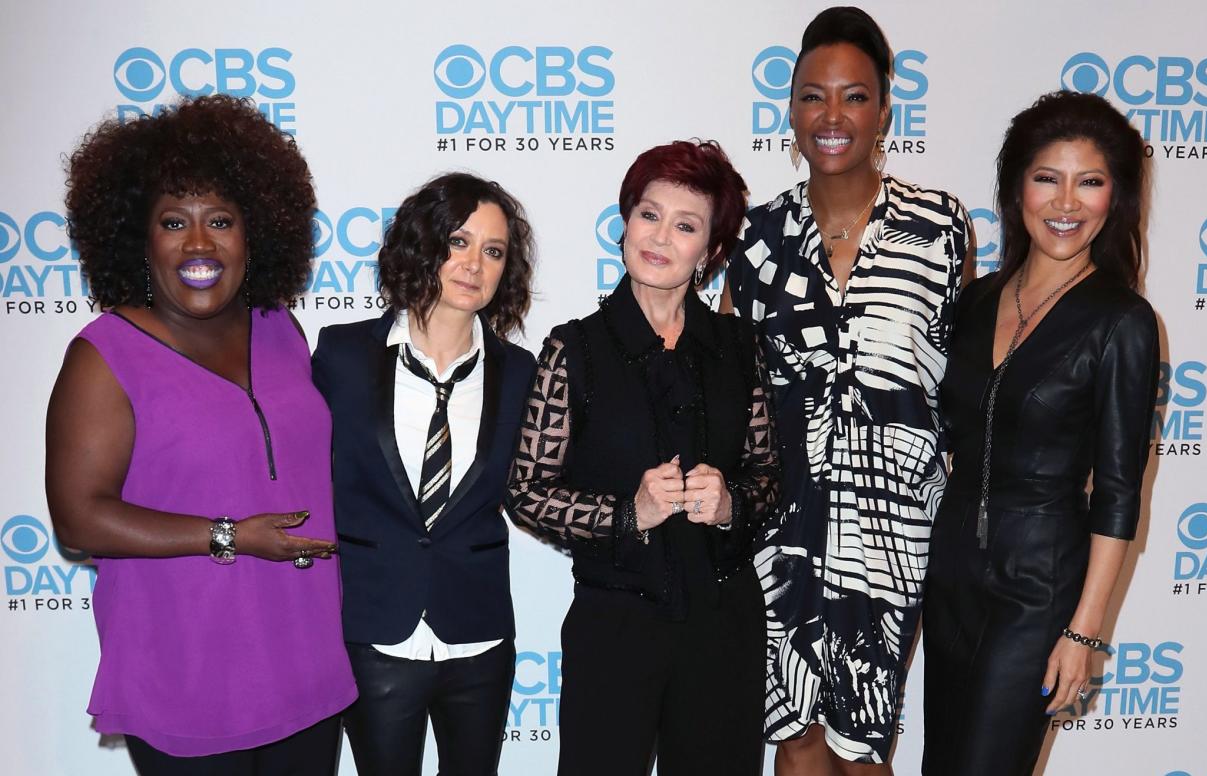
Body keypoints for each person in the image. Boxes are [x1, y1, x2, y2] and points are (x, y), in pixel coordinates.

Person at [46, 94, 356, 774]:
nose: (198, 244)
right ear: (138, 235)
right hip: (187, 676)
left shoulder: (281, 332)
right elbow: (79, 518)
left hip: (305, 664)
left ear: (257, 231)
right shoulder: (105, 356)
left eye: (220, 220)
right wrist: (230, 535)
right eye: (172, 221)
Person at [721, 7, 973, 773]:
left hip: (894, 524)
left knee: (865, 746)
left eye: (854, 96)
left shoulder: (939, 228)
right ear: (791, 109)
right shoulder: (755, 241)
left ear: (885, 108)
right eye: (812, 95)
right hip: (782, 522)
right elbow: (734, 390)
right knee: (795, 738)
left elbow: (965, 383)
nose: (832, 116)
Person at [507, 140, 779, 776]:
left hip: (723, 625)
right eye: (648, 214)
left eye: (685, 226)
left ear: (711, 251)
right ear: (626, 221)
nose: (660, 236)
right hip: (614, 625)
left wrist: (732, 504)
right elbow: (527, 491)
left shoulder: (739, 348)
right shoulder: (574, 349)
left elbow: (769, 473)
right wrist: (628, 513)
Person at [921, 89, 1159, 775]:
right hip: (952, 574)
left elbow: (1118, 491)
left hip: (1038, 586)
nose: (1066, 203)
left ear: (1115, 198)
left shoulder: (1122, 322)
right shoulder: (977, 300)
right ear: (1015, 187)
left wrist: (1084, 630)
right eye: (1047, 178)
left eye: (1090, 182)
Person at [312, 172, 536, 776]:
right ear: (422, 245)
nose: (473, 264)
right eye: (458, 242)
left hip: (480, 635)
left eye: (493, 251)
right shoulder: (342, 355)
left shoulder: (521, 374)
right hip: (376, 632)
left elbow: (542, 485)